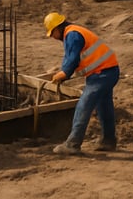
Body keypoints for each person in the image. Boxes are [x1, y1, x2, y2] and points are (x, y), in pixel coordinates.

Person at [44, 12, 119, 155]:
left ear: (57, 29)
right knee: (104, 106)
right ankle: (108, 140)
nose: (53, 37)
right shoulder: (73, 32)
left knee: (83, 105)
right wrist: (63, 71)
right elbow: (70, 57)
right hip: (109, 70)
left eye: (51, 33)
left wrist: (64, 73)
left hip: (101, 74)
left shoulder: (72, 35)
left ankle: (72, 144)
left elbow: (72, 59)